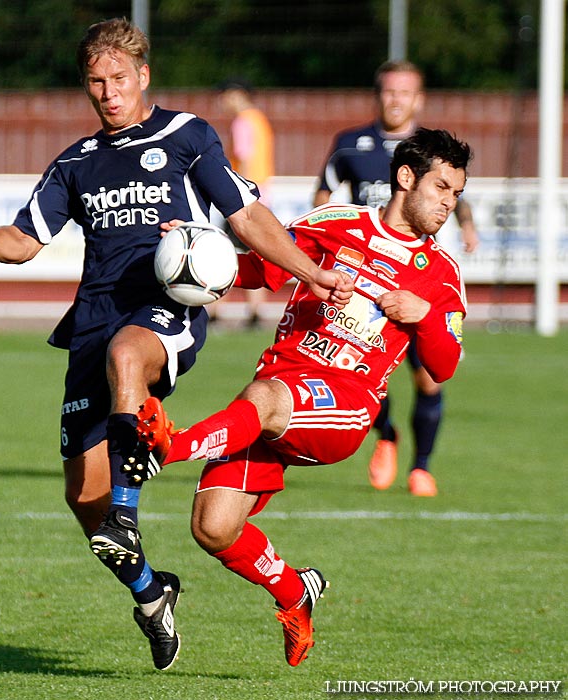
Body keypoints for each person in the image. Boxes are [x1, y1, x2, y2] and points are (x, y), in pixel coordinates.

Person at [0, 18, 347, 672]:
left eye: (119, 78)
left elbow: (244, 217)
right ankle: (151, 593)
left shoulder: (186, 137)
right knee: (83, 499)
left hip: (166, 306)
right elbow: (22, 242)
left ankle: (128, 513)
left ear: (143, 75)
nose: (107, 92)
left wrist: (312, 273)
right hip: (92, 321)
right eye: (95, 81)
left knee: (129, 358)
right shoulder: (75, 163)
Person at [123, 128, 470, 666]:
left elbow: (444, 365)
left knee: (263, 397)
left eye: (456, 194)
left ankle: (168, 446)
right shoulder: (336, 224)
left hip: (346, 406)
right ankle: (293, 592)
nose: (449, 203)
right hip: (276, 392)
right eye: (442, 187)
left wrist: (424, 316)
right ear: (406, 178)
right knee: (213, 528)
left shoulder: (442, 275)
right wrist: (192, 252)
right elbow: (260, 266)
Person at [313, 60, 479, 497]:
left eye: (405, 93)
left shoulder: (432, 152)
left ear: (418, 100)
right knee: (361, 366)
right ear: (378, 95)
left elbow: (456, 197)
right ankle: (386, 434)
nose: (396, 100)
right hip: (366, 278)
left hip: (417, 276)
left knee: (428, 375)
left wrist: (467, 224)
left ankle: (421, 467)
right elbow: (324, 194)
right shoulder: (350, 144)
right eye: (389, 91)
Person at [217, 79, 275, 327]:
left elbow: (245, 159)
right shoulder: (259, 119)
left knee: (221, 253)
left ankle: (214, 311)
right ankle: (255, 310)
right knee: (254, 252)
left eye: (225, 95)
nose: (222, 102)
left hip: (242, 199)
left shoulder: (242, 122)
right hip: (262, 196)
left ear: (236, 95)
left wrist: (239, 195)